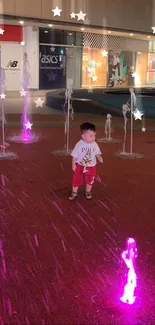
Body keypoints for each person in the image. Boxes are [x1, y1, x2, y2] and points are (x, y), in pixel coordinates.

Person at [69, 122, 103, 200]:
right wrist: (73, 164)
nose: (93, 137)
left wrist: (99, 157)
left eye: (94, 135)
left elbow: (97, 152)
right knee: (76, 178)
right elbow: (74, 155)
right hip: (80, 165)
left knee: (90, 179)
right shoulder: (79, 144)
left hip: (91, 166)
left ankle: (88, 191)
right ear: (83, 136)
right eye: (91, 136)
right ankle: (74, 192)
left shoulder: (94, 144)